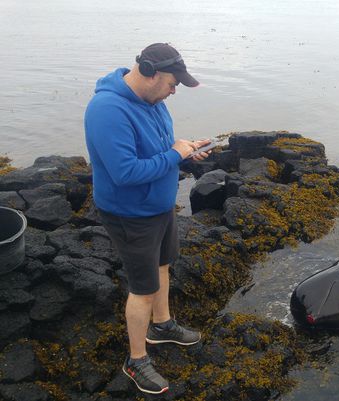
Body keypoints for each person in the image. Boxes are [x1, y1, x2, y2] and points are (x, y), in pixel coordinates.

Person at [84, 43, 212, 395]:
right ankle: (136, 360)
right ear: (149, 71)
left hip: (159, 206)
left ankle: (162, 325)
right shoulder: (107, 109)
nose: (174, 91)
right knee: (142, 289)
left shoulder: (155, 102)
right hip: (130, 213)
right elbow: (125, 173)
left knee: (162, 267)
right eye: (173, 83)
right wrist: (174, 154)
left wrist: (186, 156)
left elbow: (159, 153)